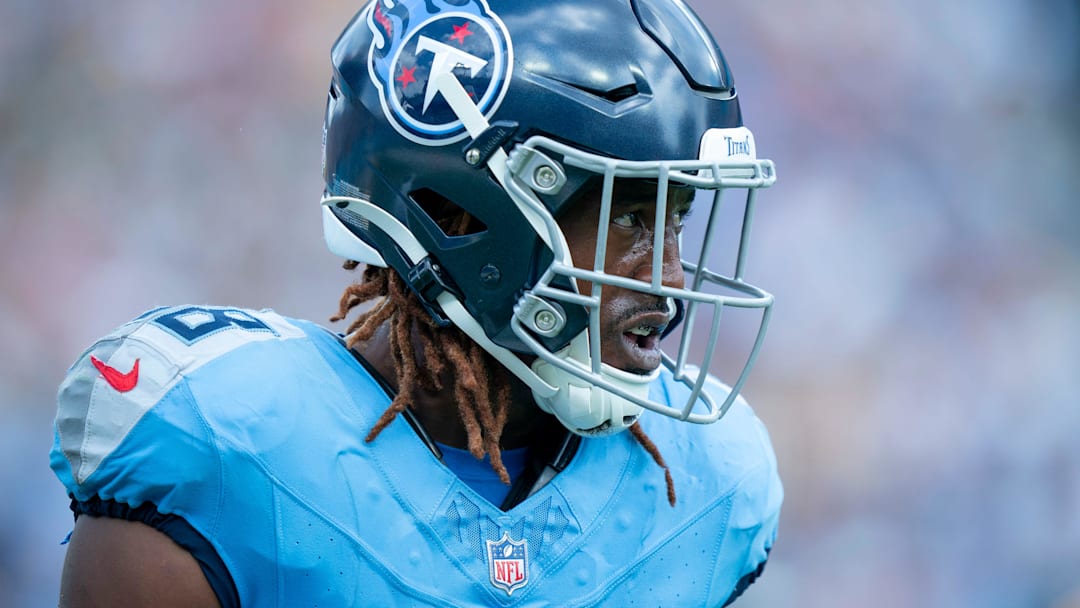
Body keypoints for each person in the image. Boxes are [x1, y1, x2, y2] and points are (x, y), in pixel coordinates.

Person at [50, 0, 782, 605]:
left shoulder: (704, 479)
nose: (672, 280)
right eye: (632, 218)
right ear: (466, 213)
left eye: (677, 218)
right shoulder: (227, 442)